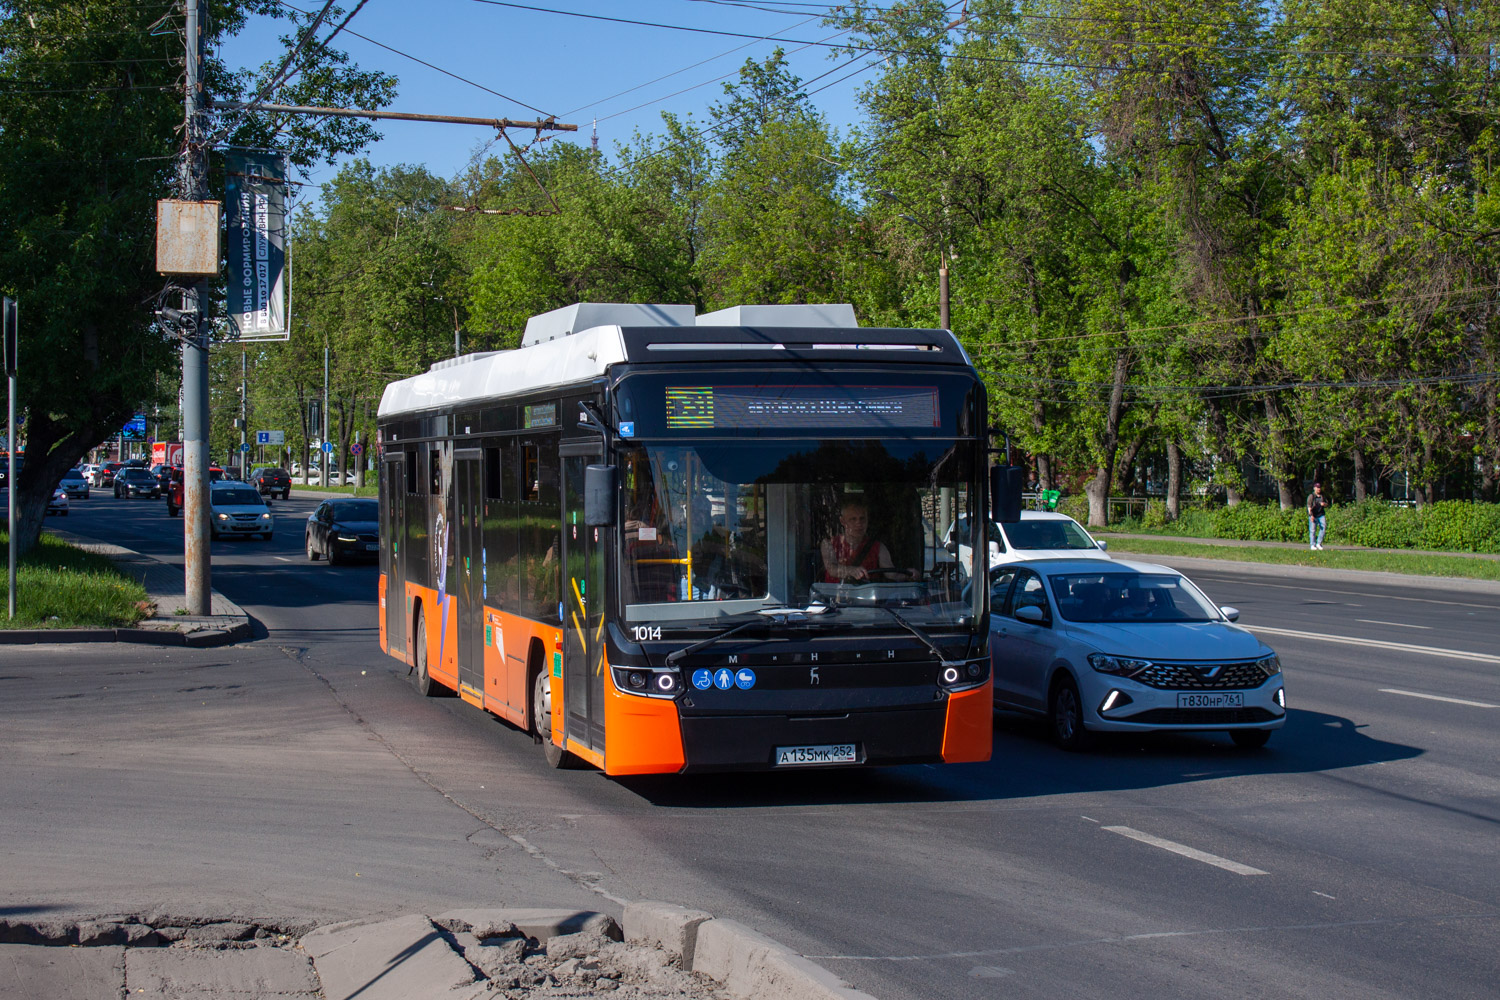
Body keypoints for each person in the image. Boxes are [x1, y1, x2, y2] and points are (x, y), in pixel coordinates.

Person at [821, 499, 906, 583]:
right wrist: (850, 571)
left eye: (862, 519)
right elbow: (832, 569)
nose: (859, 523)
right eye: (853, 519)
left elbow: (891, 574)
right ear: (842, 521)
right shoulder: (829, 544)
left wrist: (907, 575)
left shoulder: (878, 547)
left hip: (868, 595)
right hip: (834, 595)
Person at [1307, 481, 1328, 551]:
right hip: (1313, 514)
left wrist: (1324, 504)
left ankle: (1319, 543)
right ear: (1314, 488)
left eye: (1319, 487)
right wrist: (1311, 515)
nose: (1319, 489)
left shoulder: (1322, 496)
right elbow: (1309, 507)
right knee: (1313, 530)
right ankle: (1312, 544)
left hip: (1321, 514)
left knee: (1323, 527)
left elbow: (1327, 504)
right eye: (1317, 487)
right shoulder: (1311, 496)